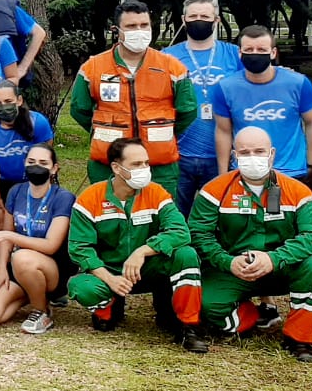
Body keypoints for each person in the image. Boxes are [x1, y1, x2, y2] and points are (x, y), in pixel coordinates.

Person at [189, 126, 312, 362]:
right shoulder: (214, 191)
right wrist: (227, 262)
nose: (253, 158)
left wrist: (273, 258)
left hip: (283, 267)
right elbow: (198, 234)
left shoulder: (297, 191)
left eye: (259, 151)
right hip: (233, 269)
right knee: (204, 306)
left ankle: (300, 338)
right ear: (234, 156)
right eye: (245, 152)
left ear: (272, 154)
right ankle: (250, 316)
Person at [66, 137, 207, 353]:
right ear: (116, 167)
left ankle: (189, 326)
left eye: (146, 163)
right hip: (110, 270)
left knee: (186, 254)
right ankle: (109, 308)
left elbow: (181, 232)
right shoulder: (90, 198)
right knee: (82, 287)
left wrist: (143, 251)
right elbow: (79, 248)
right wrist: (110, 279)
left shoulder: (156, 192)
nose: (144, 170)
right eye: (136, 164)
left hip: (148, 268)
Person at [71, 0, 197, 195]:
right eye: (131, 26)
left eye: (144, 25)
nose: (139, 31)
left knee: (159, 219)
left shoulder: (172, 67)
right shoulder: (93, 68)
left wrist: (162, 130)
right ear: (116, 30)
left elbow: (187, 110)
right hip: (108, 165)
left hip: (159, 167)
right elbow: (79, 109)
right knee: (108, 219)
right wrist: (104, 129)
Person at [0, 144, 75, 333]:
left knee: (22, 258)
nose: (36, 166)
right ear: (24, 164)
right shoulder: (16, 192)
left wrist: (9, 235)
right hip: (20, 267)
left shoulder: (63, 197)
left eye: (43, 163)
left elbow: (51, 245)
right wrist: (1, 268)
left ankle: (41, 311)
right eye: (31, 162)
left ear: (54, 168)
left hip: (51, 267)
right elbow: (7, 234)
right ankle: (32, 294)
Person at [162, 0, 244, 216]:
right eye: (194, 15)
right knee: (175, 216)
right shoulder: (166, 57)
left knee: (220, 216)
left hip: (223, 154)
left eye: (205, 16)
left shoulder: (235, 55)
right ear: (183, 19)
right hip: (179, 154)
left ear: (216, 20)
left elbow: (257, 82)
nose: (199, 20)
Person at [213, 24, 312, 180]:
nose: (255, 54)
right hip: (245, 172)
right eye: (249, 50)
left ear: (273, 53)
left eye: (261, 50)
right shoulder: (225, 87)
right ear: (239, 53)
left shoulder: (298, 83)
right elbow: (223, 131)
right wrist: (223, 176)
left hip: (292, 172)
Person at [0, 81, 53, 232]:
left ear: (19, 100)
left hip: (34, 180)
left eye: (8, 101)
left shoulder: (38, 122)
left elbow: (47, 158)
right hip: (4, 183)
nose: (3, 106)